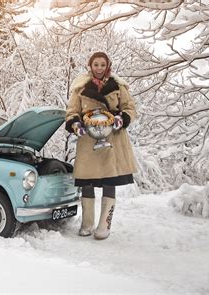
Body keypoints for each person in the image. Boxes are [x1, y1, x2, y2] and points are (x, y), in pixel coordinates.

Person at [65, 52, 138, 240]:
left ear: (108, 66)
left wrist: (122, 119)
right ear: (90, 66)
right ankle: (87, 224)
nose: (99, 68)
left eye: (102, 65)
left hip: (112, 137)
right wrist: (75, 124)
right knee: (87, 181)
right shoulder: (80, 88)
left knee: (109, 180)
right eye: (95, 64)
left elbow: (130, 108)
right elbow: (72, 111)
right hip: (89, 138)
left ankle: (104, 225)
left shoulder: (119, 86)